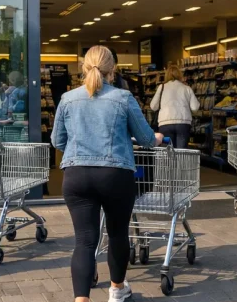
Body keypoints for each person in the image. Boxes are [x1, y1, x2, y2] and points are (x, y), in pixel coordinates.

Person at [51, 45, 164, 302]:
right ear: (112, 70)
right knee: (117, 233)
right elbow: (145, 138)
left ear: (83, 68)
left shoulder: (67, 99)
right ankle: (117, 289)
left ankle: (81, 299)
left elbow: (57, 141)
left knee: (84, 240)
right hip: (115, 175)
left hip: (77, 176)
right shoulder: (123, 98)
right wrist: (156, 138)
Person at [150, 64, 199, 149]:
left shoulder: (162, 87)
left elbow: (153, 106)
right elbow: (195, 107)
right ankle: (180, 162)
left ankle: (169, 163)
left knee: (168, 153)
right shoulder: (186, 88)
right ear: (180, 75)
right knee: (181, 153)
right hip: (183, 124)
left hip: (165, 124)